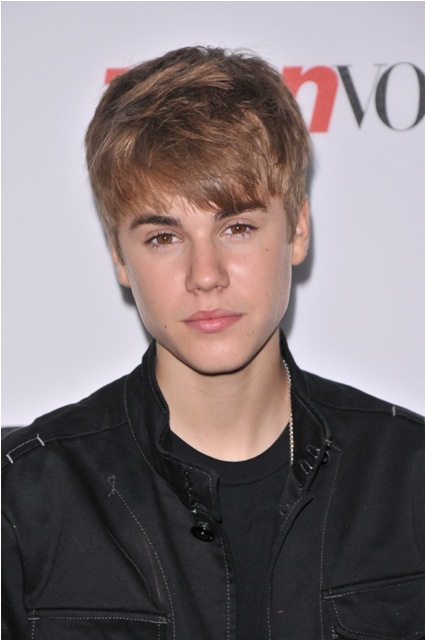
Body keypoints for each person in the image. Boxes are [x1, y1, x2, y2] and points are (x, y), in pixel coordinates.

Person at [2, 46, 424, 640]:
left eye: (238, 227)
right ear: (119, 256)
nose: (206, 275)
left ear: (298, 229)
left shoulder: (409, 473)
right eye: (164, 237)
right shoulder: (24, 495)